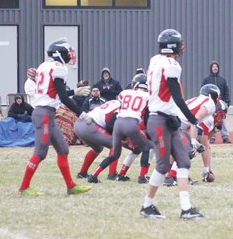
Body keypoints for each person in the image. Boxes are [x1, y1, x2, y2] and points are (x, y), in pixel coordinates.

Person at [140, 28, 205, 220]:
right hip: (160, 119)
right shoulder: (172, 65)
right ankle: (147, 206)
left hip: (167, 118)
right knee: (162, 166)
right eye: (179, 43)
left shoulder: (155, 60)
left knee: (183, 160)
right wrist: (192, 119)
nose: (182, 46)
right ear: (173, 46)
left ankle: (186, 209)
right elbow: (176, 96)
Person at [18, 38, 92, 197]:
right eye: (67, 53)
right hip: (44, 113)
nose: (69, 56)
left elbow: (53, 92)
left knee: (63, 149)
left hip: (47, 113)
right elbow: (63, 98)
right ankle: (24, 188)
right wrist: (82, 114)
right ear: (59, 54)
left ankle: (71, 186)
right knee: (40, 152)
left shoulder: (44, 65)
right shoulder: (59, 68)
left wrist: (74, 92)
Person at [87, 78, 152, 183]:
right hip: (132, 123)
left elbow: (121, 108)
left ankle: (93, 175)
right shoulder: (147, 97)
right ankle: (142, 177)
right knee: (146, 148)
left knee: (114, 154)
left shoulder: (125, 93)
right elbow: (147, 118)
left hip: (118, 123)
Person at [74, 99, 121, 180]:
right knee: (115, 143)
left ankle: (82, 173)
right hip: (90, 124)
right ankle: (112, 174)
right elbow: (110, 126)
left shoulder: (114, 102)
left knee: (97, 148)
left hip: (79, 124)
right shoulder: (121, 107)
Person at [201, 60, 231, 143]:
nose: (215, 68)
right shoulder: (206, 79)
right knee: (211, 119)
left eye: (216, 67)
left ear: (218, 68)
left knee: (222, 118)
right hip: (210, 103)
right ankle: (212, 137)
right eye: (213, 67)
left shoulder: (222, 79)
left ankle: (225, 137)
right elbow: (203, 90)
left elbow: (226, 90)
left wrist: (227, 101)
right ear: (211, 68)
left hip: (220, 102)